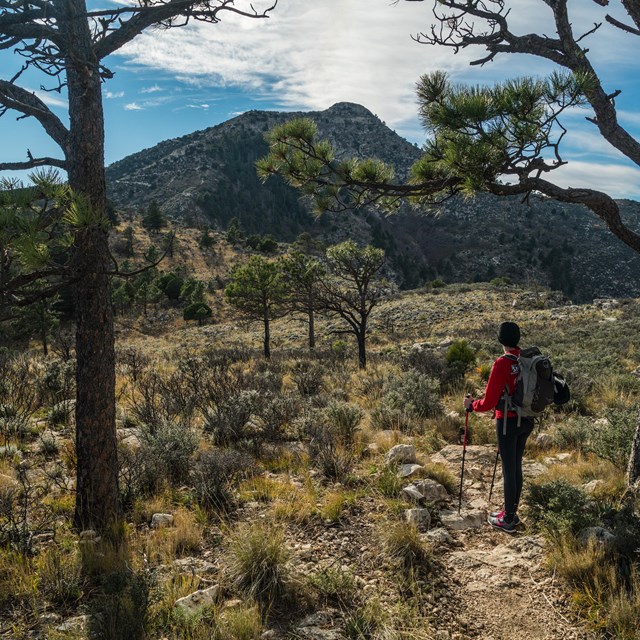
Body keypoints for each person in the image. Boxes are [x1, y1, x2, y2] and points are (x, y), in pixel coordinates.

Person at [463, 321, 533, 534]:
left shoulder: (502, 363)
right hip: (527, 419)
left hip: (508, 423)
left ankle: (508, 519)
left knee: (509, 469)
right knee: (516, 466)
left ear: (501, 340)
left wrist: (471, 406)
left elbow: (489, 402)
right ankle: (510, 512)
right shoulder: (526, 359)